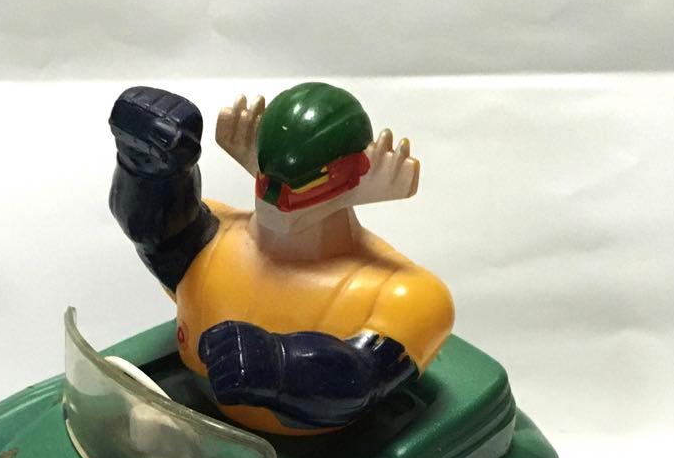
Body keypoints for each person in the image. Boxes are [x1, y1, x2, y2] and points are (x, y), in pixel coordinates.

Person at [108, 82, 455, 436]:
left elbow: (363, 376)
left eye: (303, 185)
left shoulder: (407, 296)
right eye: (270, 181)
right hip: (188, 428)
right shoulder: (216, 237)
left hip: (306, 451)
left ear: (357, 174)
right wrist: (149, 172)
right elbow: (157, 235)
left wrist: (281, 364)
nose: (277, 201)